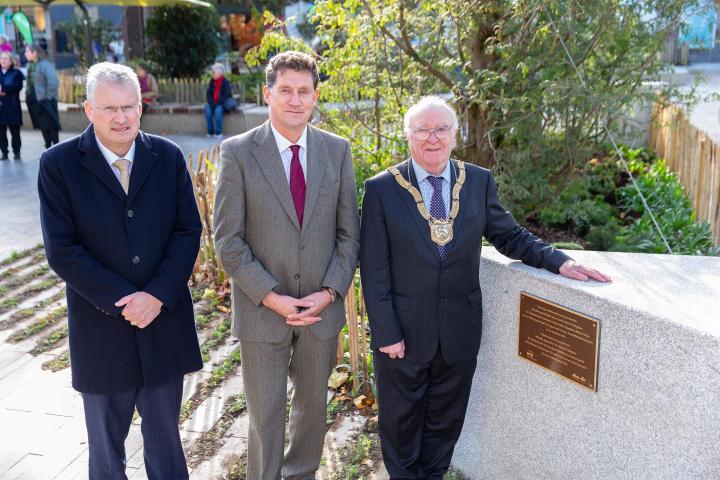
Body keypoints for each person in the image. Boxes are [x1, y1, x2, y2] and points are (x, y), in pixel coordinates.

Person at [359, 96, 611, 480]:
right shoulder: (382, 189)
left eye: (441, 129)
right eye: (423, 130)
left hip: (459, 331)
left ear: (455, 135)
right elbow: (373, 268)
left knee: (445, 422)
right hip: (404, 337)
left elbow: (510, 236)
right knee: (400, 423)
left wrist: (560, 261)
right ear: (408, 135)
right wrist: (387, 333)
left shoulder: (477, 180)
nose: (433, 138)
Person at [37, 62, 203, 480]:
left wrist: (157, 296)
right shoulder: (58, 165)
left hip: (163, 324)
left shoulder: (167, 157)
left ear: (141, 106)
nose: (122, 117)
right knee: (107, 454)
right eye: (110, 108)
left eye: (130, 106)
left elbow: (188, 231)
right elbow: (62, 250)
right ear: (88, 109)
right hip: (101, 332)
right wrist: (125, 301)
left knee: (167, 446)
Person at [213, 51, 360, 479]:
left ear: (315, 96)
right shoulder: (239, 153)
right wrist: (271, 297)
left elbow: (349, 234)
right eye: (285, 91)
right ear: (268, 93)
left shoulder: (337, 152)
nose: (295, 100)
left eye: (304, 91)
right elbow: (228, 240)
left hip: (321, 310)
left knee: (312, 410)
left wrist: (330, 292)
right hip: (262, 312)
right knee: (265, 416)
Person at [25, 44, 61, 149]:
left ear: (35, 53)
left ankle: (56, 149)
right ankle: (48, 149)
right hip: (36, 101)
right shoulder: (31, 65)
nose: (25, 54)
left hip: (46, 100)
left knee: (51, 125)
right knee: (43, 125)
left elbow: (53, 81)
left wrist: (48, 97)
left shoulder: (45, 64)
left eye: (27, 51)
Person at [0, 52, 24, 160]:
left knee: (15, 132)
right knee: (1, 133)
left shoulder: (16, 73)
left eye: (6, 58)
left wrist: (3, 89)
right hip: (1, 108)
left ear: (11, 61)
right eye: (2, 58)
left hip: (13, 107)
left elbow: (17, 87)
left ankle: (17, 152)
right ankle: (4, 152)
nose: (4, 60)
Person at [204, 62, 232, 139]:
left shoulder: (226, 82)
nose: (212, 74)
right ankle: (210, 132)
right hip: (212, 103)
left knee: (218, 111)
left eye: (214, 72)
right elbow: (208, 93)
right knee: (207, 109)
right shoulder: (212, 81)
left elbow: (227, 95)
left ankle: (218, 132)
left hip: (221, 103)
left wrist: (218, 103)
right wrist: (211, 102)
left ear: (219, 73)